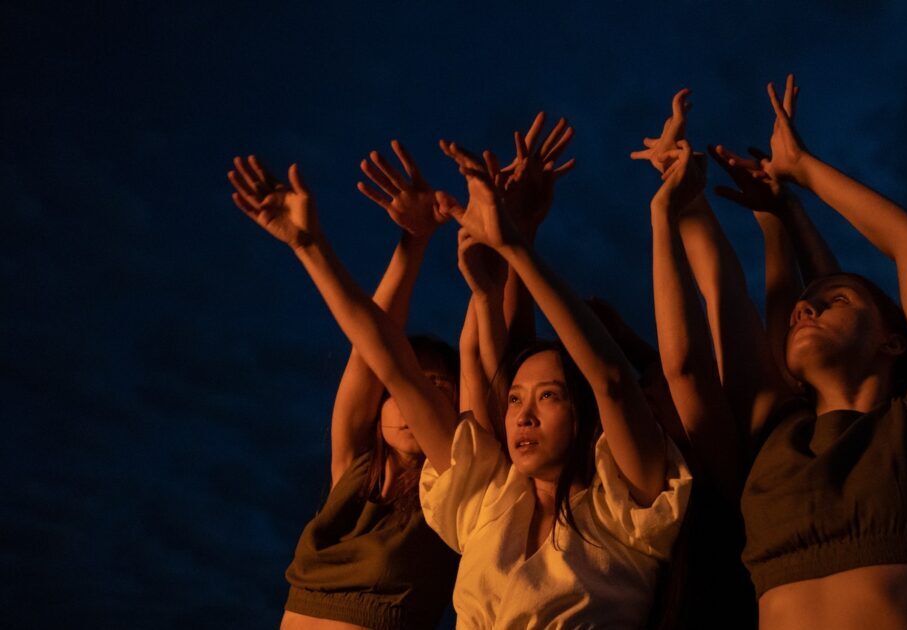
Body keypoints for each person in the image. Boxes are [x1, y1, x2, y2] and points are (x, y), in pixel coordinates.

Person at [714, 74, 907, 629]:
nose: (804, 311)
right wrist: (780, 215)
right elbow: (810, 297)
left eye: (832, 303)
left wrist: (802, 169)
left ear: (892, 341)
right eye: (801, 308)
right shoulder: (780, 443)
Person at [416, 130, 692, 628]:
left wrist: (518, 246)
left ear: (584, 414)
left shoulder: (625, 506)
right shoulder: (494, 504)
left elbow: (609, 380)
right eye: (517, 399)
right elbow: (489, 360)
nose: (523, 414)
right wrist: (490, 280)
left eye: (549, 397)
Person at [227, 145, 461, 630]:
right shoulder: (353, 472)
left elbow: (392, 363)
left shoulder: (454, 487)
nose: (415, 398)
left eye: (438, 386)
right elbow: (372, 351)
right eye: (402, 387)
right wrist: (311, 243)